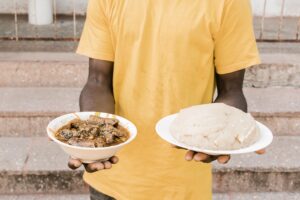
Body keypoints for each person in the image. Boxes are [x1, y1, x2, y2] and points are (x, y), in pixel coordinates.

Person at [68, 0, 265, 199]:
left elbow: (231, 91)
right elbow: (98, 81)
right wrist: (93, 139)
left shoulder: (229, 3)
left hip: (183, 181)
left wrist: (226, 135)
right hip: (111, 179)